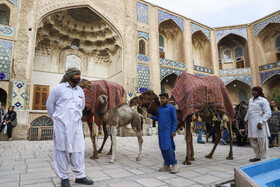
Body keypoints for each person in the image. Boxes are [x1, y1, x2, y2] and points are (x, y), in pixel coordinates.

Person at [46, 68, 93, 187]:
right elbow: (50, 106)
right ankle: (64, 177)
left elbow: (81, 107)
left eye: (79, 75)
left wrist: (74, 118)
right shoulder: (58, 89)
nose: (79, 77)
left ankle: (80, 176)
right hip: (61, 125)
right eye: (77, 75)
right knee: (62, 150)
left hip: (76, 125)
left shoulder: (80, 91)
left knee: (78, 150)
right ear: (69, 76)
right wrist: (58, 119)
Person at [147, 93, 178, 174]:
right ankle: (166, 164)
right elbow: (159, 118)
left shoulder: (171, 108)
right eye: (161, 98)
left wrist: (174, 130)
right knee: (162, 147)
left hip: (168, 132)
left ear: (167, 99)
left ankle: (174, 163)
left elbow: (175, 120)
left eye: (163, 98)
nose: (162, 100)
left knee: (168, 147)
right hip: (161, 132)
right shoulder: (160, 109)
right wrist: (152, 116)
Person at [244, 86, 271, 162]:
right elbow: (249, 111)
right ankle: (258, 156)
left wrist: (261, 122)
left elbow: (268, 113)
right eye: (253, 91)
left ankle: (264, 158)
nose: (253, 92)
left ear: (259, 92)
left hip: (259, 123)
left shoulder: (263, 100)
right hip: (251, 124)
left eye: (255, 91)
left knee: (262, 140)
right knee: (253, 140)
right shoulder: (251, 100)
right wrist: (245, 119)